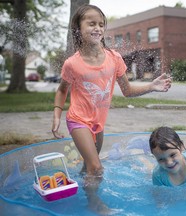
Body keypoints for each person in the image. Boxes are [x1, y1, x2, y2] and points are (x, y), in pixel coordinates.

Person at [51, 4, 171, 179]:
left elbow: (127, 91)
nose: (98, 28)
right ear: (78, 28)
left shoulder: (114, 58)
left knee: (89, 166)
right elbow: (62, 90)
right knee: (97, 168)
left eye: (101, 24)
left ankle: (81, 193)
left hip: (98, 123)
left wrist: (151, 86)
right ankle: (95, 206)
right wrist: (56, 115)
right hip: (78, 120)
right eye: (91, 24)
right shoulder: (72, 63)